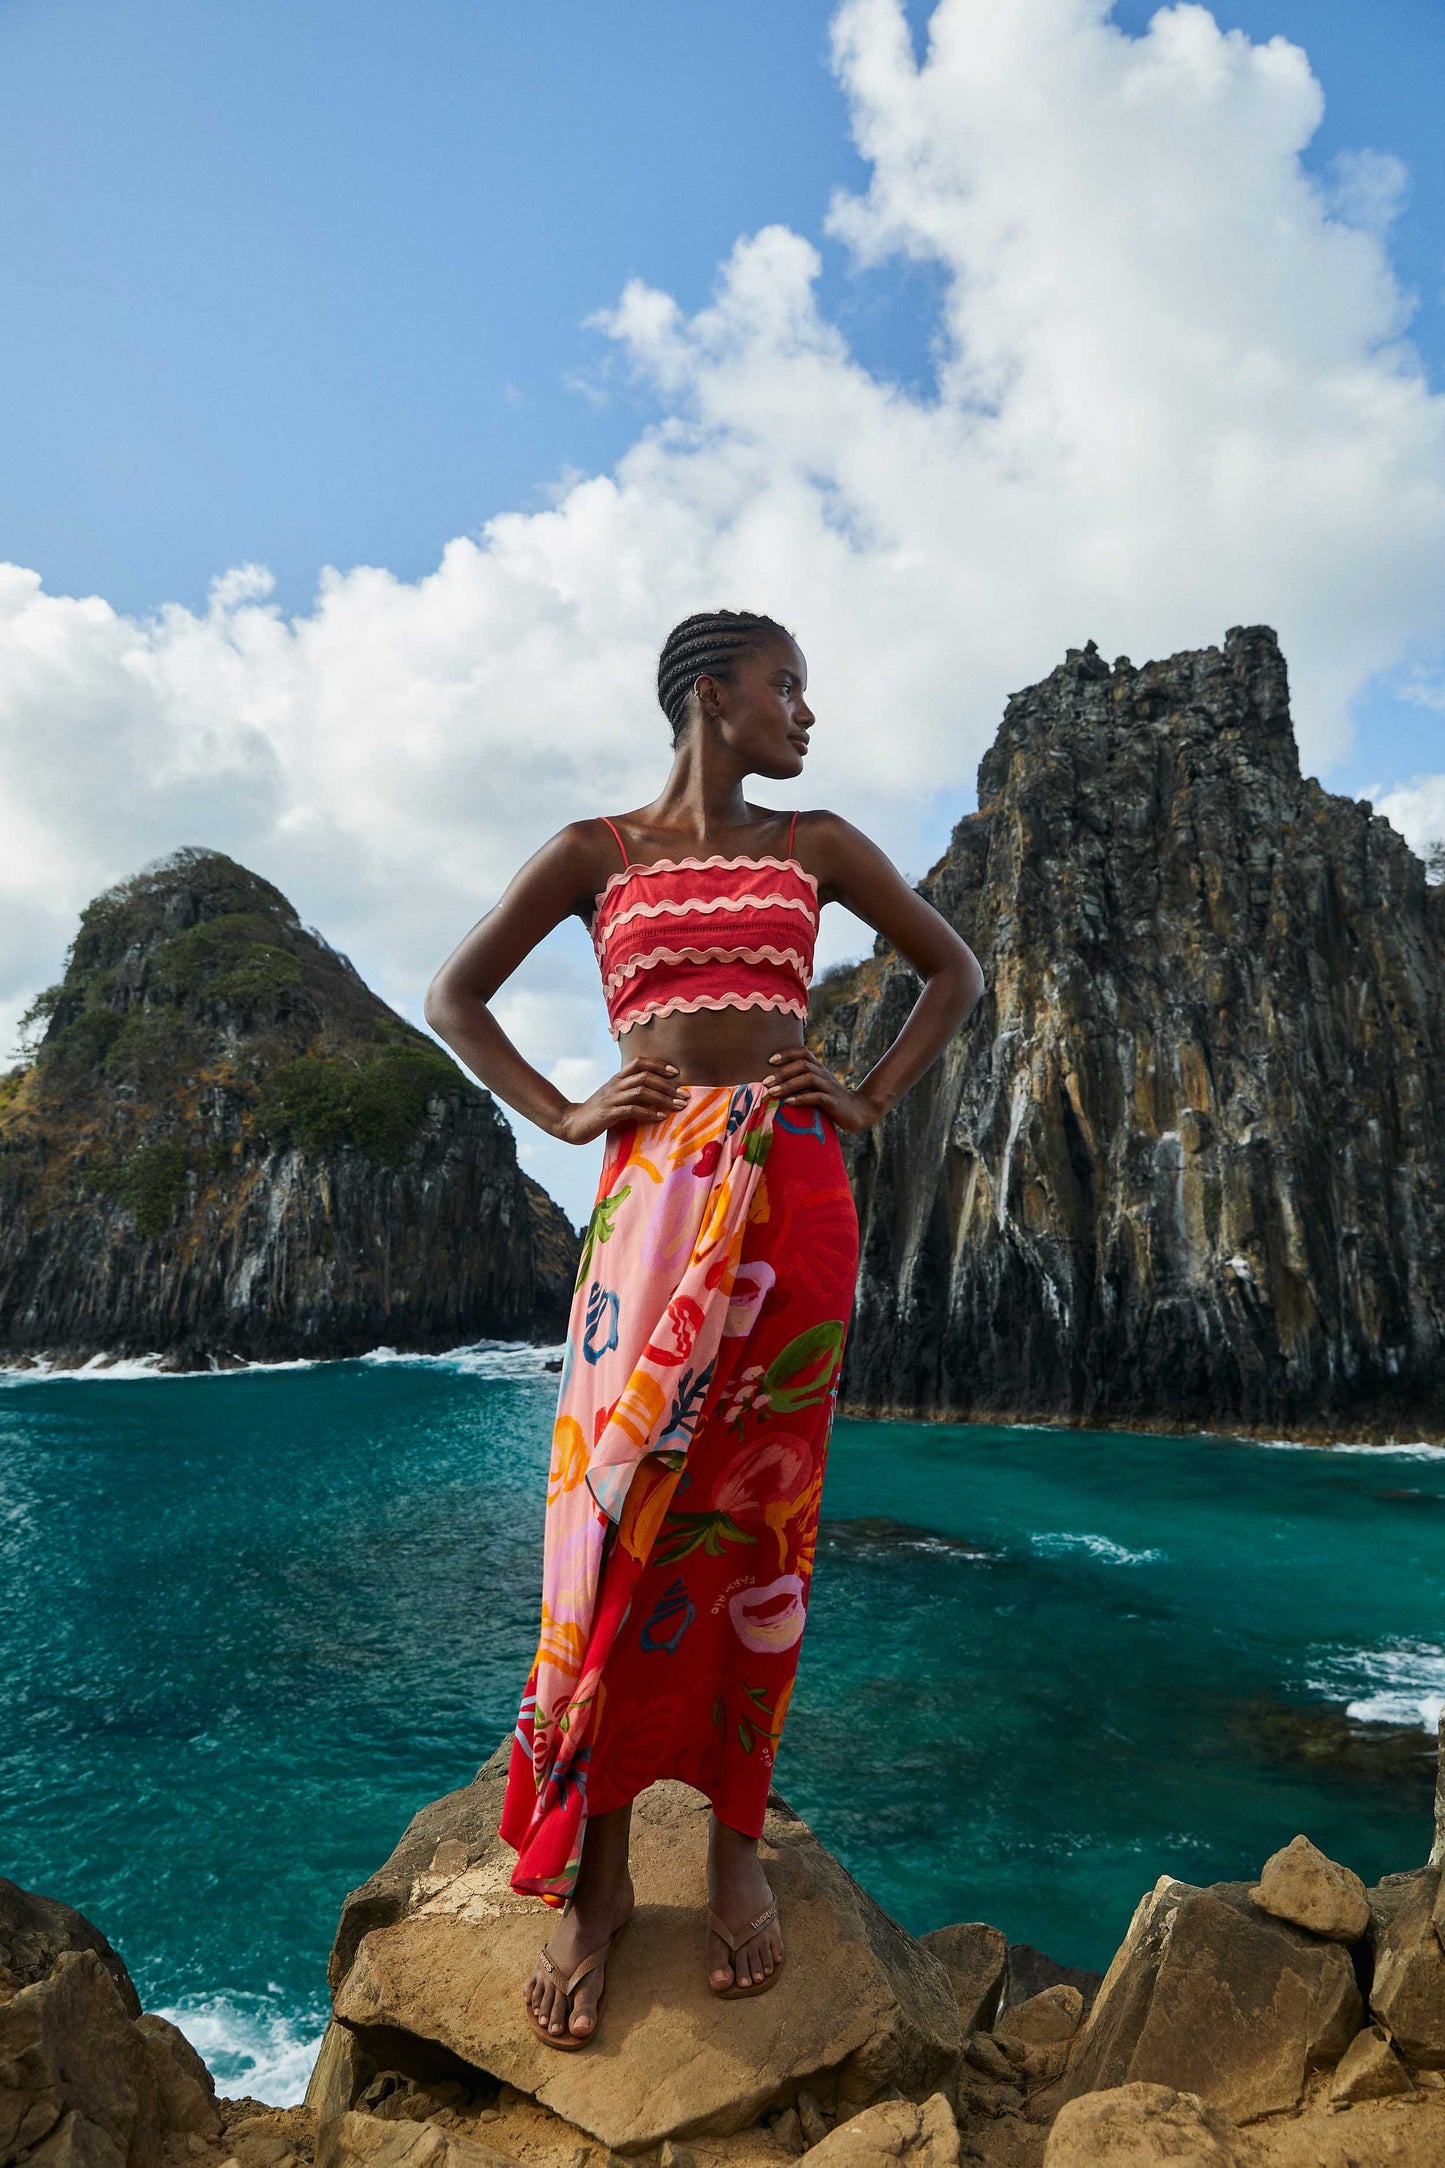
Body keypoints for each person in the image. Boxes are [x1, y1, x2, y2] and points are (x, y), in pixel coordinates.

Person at [424, 608, 985, 2050]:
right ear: (709, 695)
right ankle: (599, 1874)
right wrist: (558, 1112)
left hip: (791, 1201)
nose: (805, 712)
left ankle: (734, 1841)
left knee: (758, 1530)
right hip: (648, 1203)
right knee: (614, 1516)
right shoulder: (591, 854)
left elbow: (952, 972)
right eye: (786, 686)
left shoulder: (817, 849)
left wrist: (861, 1096)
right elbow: (453, 994)